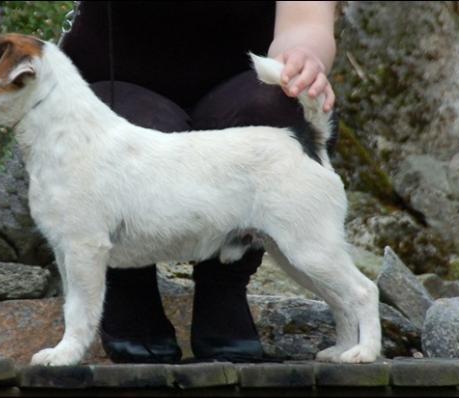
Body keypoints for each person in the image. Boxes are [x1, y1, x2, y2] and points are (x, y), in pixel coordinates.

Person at [60, 0, 338, 363]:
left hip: (240, 86)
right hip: (115, 84)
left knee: (281, 107)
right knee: (127, 130)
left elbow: (306, 20)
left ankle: (224, 290)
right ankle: (127, 288)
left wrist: (302, 58)